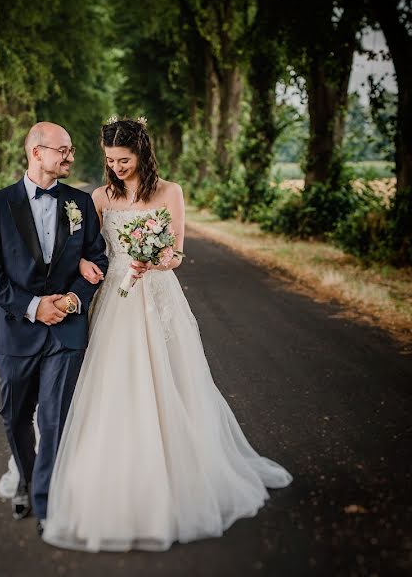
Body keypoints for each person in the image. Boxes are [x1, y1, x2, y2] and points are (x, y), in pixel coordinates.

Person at [37, 117, 293, 552]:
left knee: (169, 376)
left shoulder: (170, 192)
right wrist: (85, 266)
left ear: (143, 154)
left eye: (124, 159)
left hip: (156, 292)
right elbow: (89, 248)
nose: (117, 167)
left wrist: (154, 260)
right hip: (114, 295)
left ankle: (177, 469)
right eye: (110, 160)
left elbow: (176, 252)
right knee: (111, 377)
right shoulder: (100, 196)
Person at [0, 121, 118, 535]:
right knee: (15, 416)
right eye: (64, 150)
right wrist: (35, 307)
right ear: (37, 153)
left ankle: (46, 503)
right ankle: (27, 474)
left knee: (55, 419)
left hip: (66, 332)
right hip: (15, 330)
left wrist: (71, 301)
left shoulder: (80, 203)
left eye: (71, 150)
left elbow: (97, 259)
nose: (71, 157)